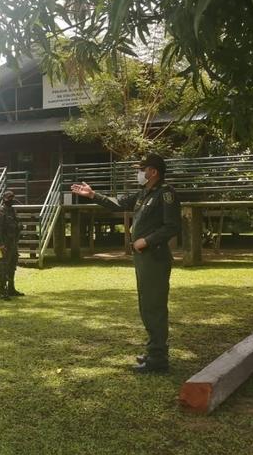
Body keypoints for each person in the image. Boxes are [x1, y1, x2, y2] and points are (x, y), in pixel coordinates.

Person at [71, 153, 181, 373]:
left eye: (142, 169)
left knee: (154, 306)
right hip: (144, 258)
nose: (138, 173)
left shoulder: (165, 194)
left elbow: (172, 226)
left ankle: (158, 359)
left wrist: (145, 241)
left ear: (153, 172)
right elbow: (117, 205)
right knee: (146, 304)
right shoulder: (144, 193)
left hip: (155, 257)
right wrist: (93, 195)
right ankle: (153, 351)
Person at [0, 189, 24, 300]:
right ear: (4, 199)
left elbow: (16, 224)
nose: (11, 200)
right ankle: (2, 291)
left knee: (12, 267)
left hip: (13, 243)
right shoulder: (1, 212)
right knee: (2, 267)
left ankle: (11, 289)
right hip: (4, 245)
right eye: (9, 198)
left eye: (12, 197)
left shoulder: (12, 211)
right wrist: (0, 245)